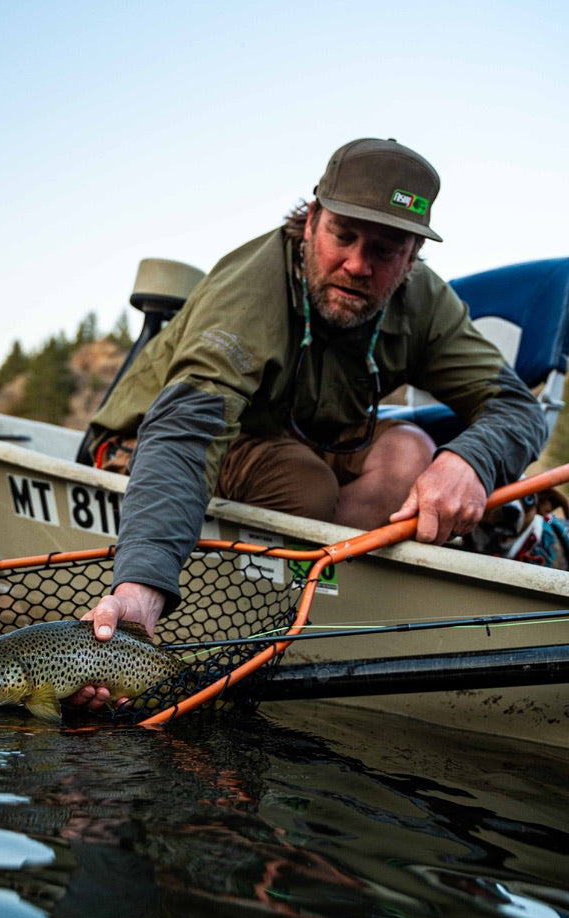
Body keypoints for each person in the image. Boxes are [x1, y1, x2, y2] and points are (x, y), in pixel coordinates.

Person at [75, 137, 547, 707]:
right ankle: (292, 612)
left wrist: (471, 460)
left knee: (411, 450)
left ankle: (318, 610)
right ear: (311, 220)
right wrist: (142, 587)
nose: (358, 265)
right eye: (343, 236)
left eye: (385, 249)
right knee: (305, 485)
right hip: (153, 441)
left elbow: (516, 406)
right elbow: (186, 434)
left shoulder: (424, 302)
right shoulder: (250, 290)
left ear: (413, 255)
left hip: (302, 437)